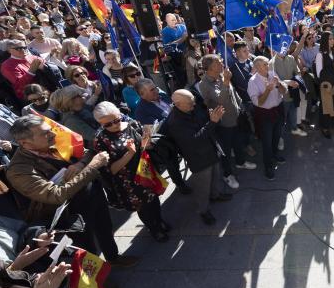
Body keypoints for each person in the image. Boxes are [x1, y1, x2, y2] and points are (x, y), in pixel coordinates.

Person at [6, 116, 137, 267]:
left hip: (92, 194)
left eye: (50, 130)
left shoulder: (54, 141)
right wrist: (91, 167)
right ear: (25, 143)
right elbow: (56, 195)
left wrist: (81, 164)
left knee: (105, 228)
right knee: (85, 247)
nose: (53, 134)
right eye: (45, 134)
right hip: (70, 213)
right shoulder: (19, 170)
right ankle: (96, 277)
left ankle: (113, 258)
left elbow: (87, 152)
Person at [92, 102, 170, 242]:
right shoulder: (100, 140)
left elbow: (143, 145)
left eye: (116, 120)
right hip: (128, 181)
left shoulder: (131, 124)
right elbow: (111, 170)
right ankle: (154, 229)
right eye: (108, 124)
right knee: (143, 207)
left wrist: (147, 141)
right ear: (100, 124)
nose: (114, 125)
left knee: (154, 200)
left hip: (145, 171)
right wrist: (129, 153)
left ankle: (159, 221)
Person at [160, 90, 231, 225]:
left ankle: (215, 195)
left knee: (216, 175)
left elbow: (204, 122)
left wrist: (212, 118)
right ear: (178, 104)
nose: (194, 105)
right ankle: (204, 211)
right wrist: (212, 122)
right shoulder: (175, 122)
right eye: (190, 103)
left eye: (193, 101)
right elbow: (195, 140)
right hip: (199, 159)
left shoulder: (191, 108)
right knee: (202, 187)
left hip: (211, 150)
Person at [196, 54, 256, 189]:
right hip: (223, 124)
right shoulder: (204, 84)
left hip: (236, 118)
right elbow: (220, 100)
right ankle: (227, 174)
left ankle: (240, 162)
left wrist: (240, 106)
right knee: (226, 151)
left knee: (238, 142)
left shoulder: (222, 76)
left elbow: (233, 93)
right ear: (210, 68)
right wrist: (226, 82)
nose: (222, 64)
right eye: (218, 63)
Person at [248, 56, 289, 180]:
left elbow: (284, 91)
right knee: (266, 142)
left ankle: (274, 154)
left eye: (267, 63)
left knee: (277, 136)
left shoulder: (272, 74)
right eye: (265, 64)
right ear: (257, 67)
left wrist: (279, 84)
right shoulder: (252, 81)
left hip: (278, 110)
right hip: (265, 115)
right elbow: (258, 103)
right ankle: (268, 166)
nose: (268, 66)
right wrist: (267, 90)